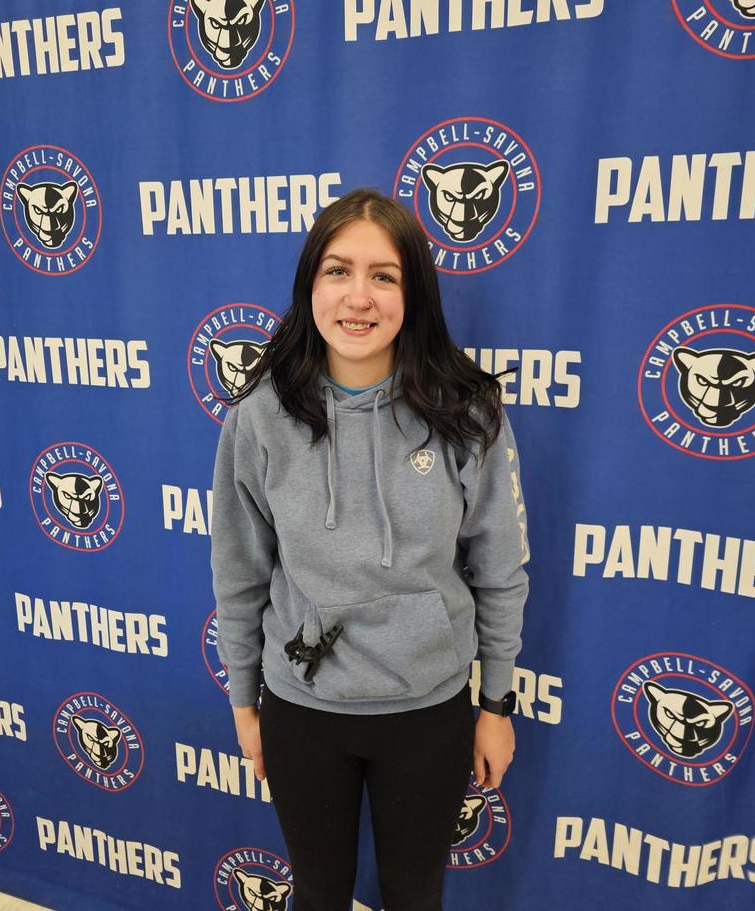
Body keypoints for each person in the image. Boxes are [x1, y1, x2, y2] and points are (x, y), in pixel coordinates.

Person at [210, 187, 531, 911]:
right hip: (303, 709)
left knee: (414, 895)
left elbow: (501, 571)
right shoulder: (259, 417)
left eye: (384, 275)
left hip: (428, 710)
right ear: (310, 285)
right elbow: (239, 574)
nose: (359, 297)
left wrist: (498, 704)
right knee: (319, 893)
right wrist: (243, 703)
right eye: (337, 270)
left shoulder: (468, 412)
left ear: (412, 293)